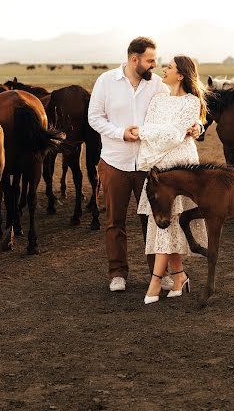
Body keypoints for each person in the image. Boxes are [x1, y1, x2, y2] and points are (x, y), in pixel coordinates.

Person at [88, 37, 201, 293]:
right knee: (114, 221)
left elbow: (181, 109)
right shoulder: (106, 82)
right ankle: (118, 274)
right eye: (150, 60)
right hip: (115, 161)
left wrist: (197, 126)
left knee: (153, 220)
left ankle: (158, 275)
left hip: (150, 165)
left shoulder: (158, 86)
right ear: (134, 59)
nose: (155, 65)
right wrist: (120, 133)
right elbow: (94, 117)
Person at [132, 55, 208, 304]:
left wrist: (146, 132)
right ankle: (179, 276)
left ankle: (155, 281)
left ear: (181, 75)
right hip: (159, 165)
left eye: (170, 67)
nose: (164, 69)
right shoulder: (157, 99)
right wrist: (154, 133)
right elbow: (160, 131)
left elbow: (173, 133)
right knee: (164, 222)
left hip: (181, 167)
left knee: (172, 220)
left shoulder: (191, 102)